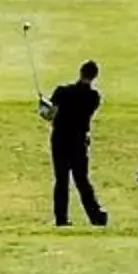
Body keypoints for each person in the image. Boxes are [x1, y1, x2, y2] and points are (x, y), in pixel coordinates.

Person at [45, 60, 107, 227]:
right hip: (78, 141)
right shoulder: (93, 97)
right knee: (82, 180)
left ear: (80, 72)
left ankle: (61, 218)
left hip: (59, 140)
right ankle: (96, 216)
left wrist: (43, 107)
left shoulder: (62, 92)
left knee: (61, 180)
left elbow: (49, 115)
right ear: (95, 76)